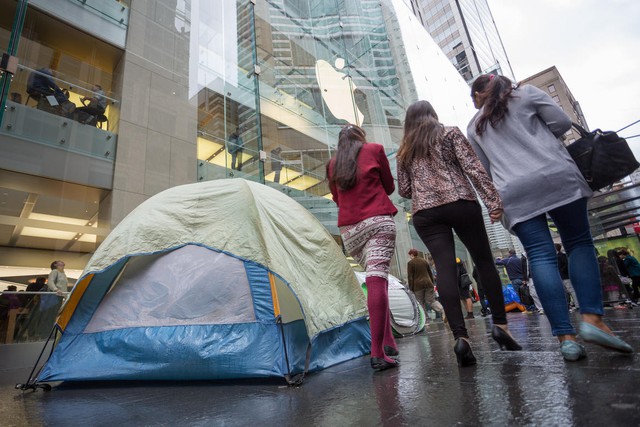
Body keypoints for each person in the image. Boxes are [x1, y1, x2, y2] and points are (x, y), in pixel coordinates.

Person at [467, 74, 633, 361]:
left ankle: (566, 339)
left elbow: (485, 167)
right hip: (556, 176)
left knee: (539, 256)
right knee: (579, 243)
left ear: (481, 93)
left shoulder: (474, 126)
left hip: (514, 191)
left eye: (474, 97)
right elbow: (562, 123)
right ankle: (593, 320)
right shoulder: (526, 95)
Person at [397, 100, 521, 368]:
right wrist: (493, 202)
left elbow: (404, 190)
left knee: (444, 268)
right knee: (484, 261)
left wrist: (423, 180)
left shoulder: (405, 150)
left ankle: (461, 337)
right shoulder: (450, 133)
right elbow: (473, 169)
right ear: (434, 114)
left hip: (426, 214)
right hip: (460, 202)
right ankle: (500, 325)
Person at [327, 124, 399, 372]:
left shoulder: (333, 164)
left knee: (378, 281)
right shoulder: (374, 150)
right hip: (378, 221)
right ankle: (377, 353)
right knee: (378, 281)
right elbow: (389, 187)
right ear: (360, 138)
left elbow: (337, 198)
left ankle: (388, 342)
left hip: (350, 232)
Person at [407, 249, 445, 323]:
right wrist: (432, 283)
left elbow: (410, 277)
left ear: (412, 255)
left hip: (418, 286)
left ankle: (426, 319)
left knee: (420, 302)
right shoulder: (424, 261)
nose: (409, 257)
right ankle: (442, 310)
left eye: (409, 255)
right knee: (431, 300)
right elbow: (430, 273)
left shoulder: (410, 263)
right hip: (428, 284)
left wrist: (411, 288)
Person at [556, 243, 580, 310]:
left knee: (570, 290)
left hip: (565, 276)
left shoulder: (561, 256)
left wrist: (561, 270)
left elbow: (566, 265)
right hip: (562, 276)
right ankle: (570, 304)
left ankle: (577, 304)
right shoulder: (560, 255)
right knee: (566, 291)